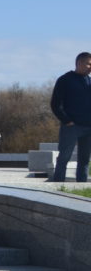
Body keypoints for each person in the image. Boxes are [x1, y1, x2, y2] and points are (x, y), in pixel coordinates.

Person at [49, 52, 91, 183]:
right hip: (71, 127)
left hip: (88, 127)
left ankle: (81, 186)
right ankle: (58, 186)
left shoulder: (89, 81)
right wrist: (67, 121)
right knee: (64, 158)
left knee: (84, 160)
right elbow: (55, 104)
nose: (90, 67)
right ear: (79, 63)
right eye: (89, 64)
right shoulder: (65, 80)